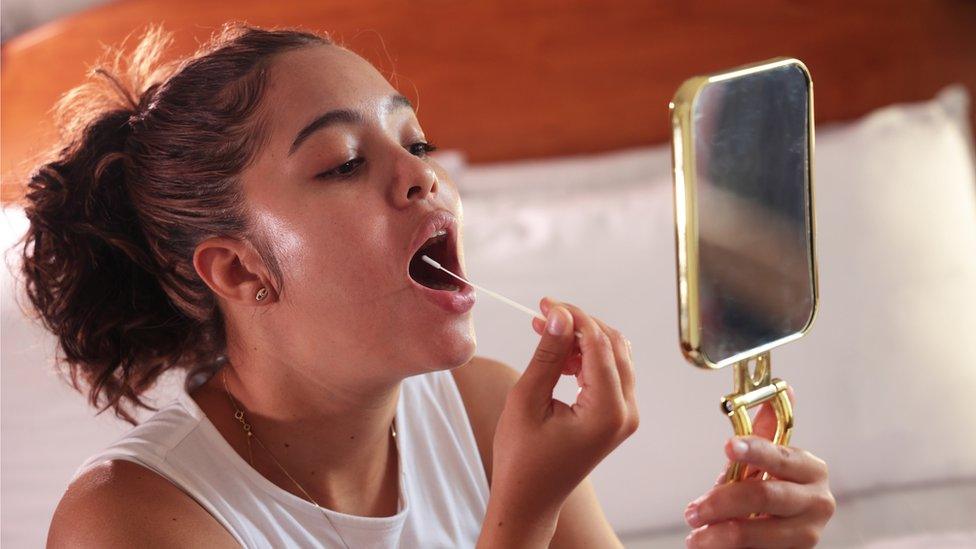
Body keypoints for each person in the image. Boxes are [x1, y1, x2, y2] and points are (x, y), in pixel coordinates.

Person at [16, 22, 834, 548]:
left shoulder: (482, 410)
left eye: (418, 141)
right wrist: (520, 514)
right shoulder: (128, 522)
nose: (421, 177)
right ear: (238, 268)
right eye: (343, 162)